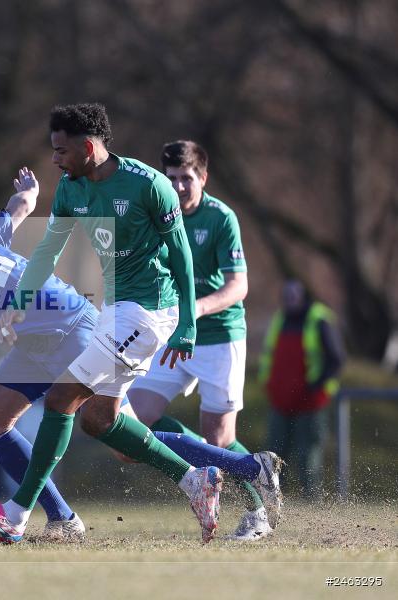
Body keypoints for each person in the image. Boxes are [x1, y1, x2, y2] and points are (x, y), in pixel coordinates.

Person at [0, 165, 279, 543]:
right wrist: (29, 194)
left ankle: (244, 467)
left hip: (72, 325)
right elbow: (14, 212)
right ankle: (63, 519)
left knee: (114, 432)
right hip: (40, 333)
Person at [0, 103, 275, 544]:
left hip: (150, 312)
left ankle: (17, 514)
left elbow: (181, 254)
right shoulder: (71, 189)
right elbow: (49, 249)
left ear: (89, 147)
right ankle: (197, 480)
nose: (54, 159)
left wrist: (186, 321)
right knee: (99, 420)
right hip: (116, 310)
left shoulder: (149, 184)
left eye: (61, 150)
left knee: (61, 397)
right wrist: (19, 301)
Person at [123, 140, 281, 540]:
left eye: (186, 178)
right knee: (132, 422)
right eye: (170, 178)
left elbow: (238, 286)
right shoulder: (154, 215)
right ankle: (209, 466)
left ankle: (258, 512)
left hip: (218, 338)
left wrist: (194, 310)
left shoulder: (221, 218)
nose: (177, 187)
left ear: (203, 177)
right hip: (171, 336)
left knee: (221, 437)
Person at [260, 279, 344, 500]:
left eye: (294, 296)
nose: (289, 301)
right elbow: (270, 356)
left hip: (311, 402)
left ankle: (312, 500)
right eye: (286, 296)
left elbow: (336, 359)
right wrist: (269, 385)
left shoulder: (319, 319)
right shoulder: (280, 319)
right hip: (280, 400)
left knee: (309, 454)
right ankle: (274, 499)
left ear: (304, 297)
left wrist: (317, 388)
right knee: (275, 453)